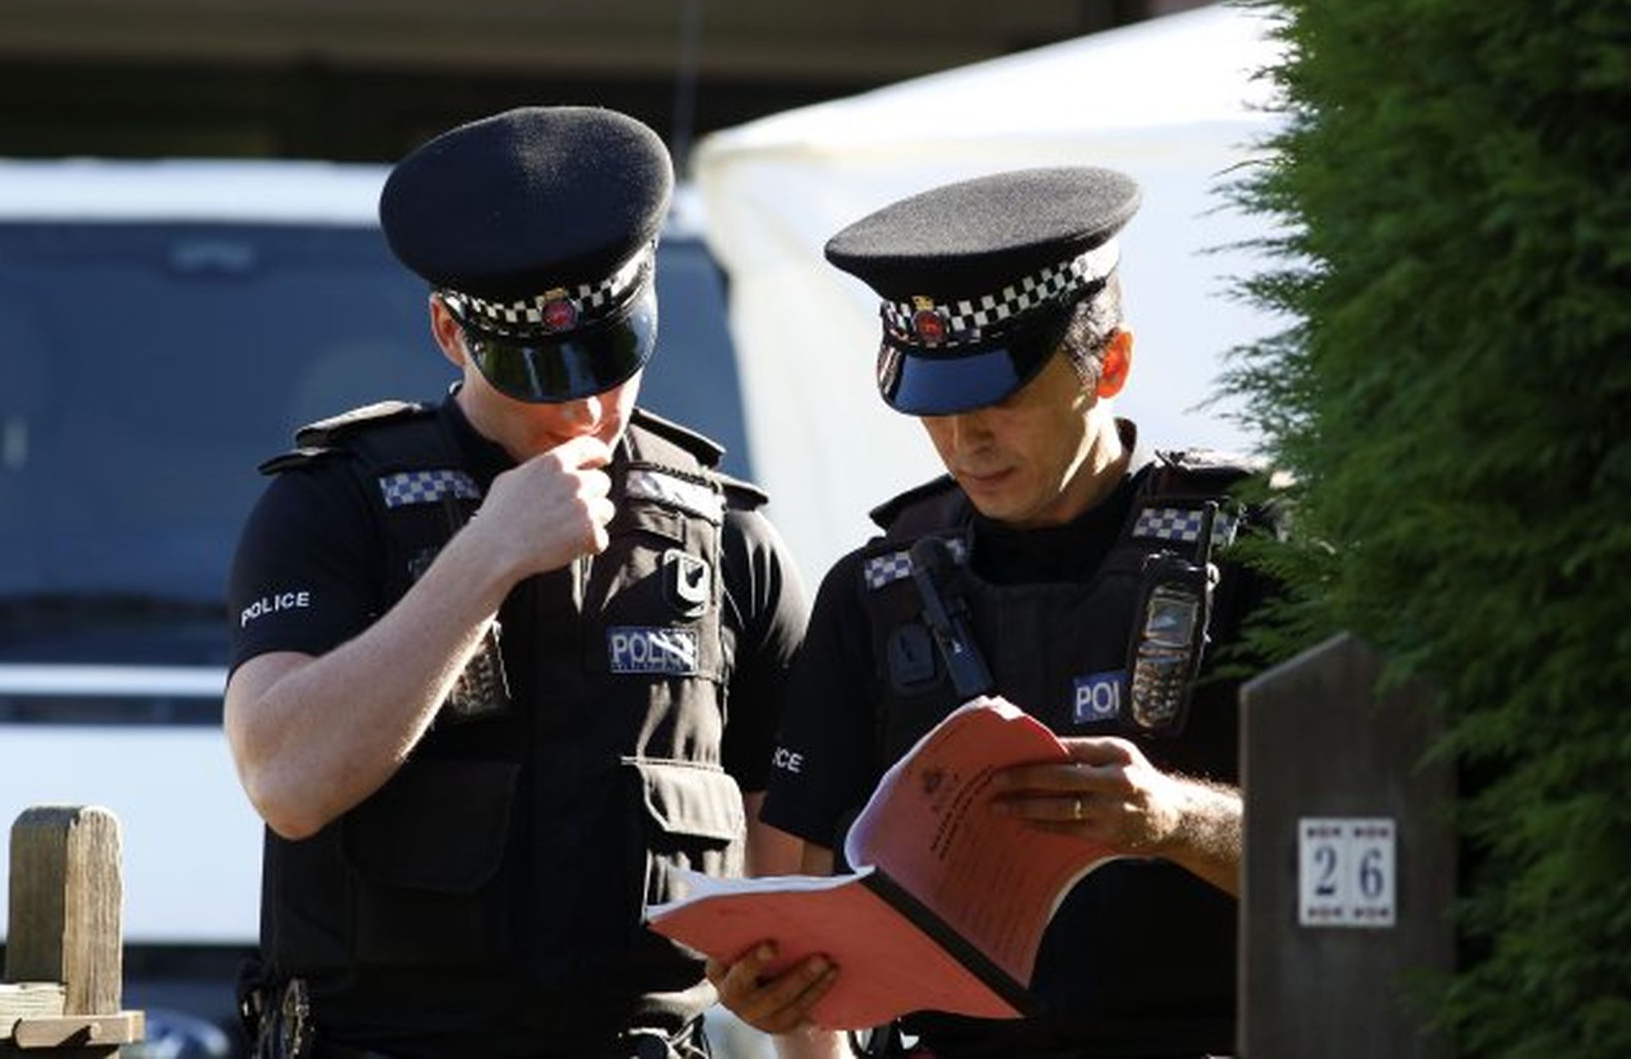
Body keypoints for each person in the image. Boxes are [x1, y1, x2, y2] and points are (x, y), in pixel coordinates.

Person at [223, 106, 808, 1059]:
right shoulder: (336, 507)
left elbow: (796, 900)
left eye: (612, 360)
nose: (583, 406)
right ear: (450, 332)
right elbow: (285, 777)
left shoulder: (729, 539)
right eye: (540, 374)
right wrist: (486, 555)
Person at [708, 167, 1276, 1059]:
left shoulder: (1255, 555)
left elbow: (1374, 859)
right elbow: (792, 895)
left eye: (1002, 400)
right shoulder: (873, 590)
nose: (965, 441)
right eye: (936, 407)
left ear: (1111, 363)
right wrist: (774, 986)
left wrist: (1173, 821)